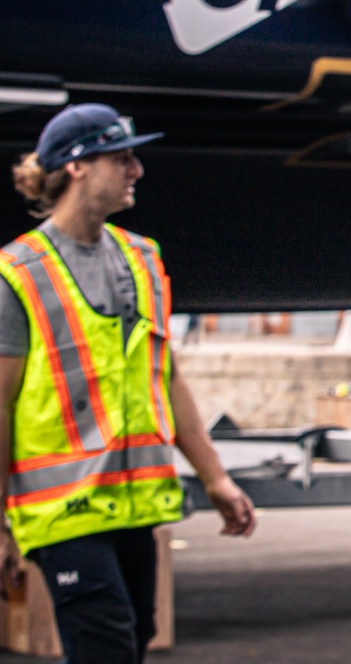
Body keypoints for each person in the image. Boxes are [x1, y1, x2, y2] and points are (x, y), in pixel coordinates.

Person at [0, 104, 256, 664]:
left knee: (130, 646)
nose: (136, 170)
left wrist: (215, 479)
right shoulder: (18, 275)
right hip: (63, 510)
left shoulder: (142, 260)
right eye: (123, 158)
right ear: (78, 167)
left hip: (135, 508)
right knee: (107, 650)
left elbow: (168, 377)